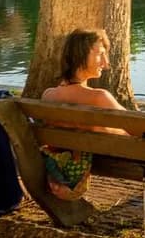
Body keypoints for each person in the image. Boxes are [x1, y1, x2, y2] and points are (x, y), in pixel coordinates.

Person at [39, 28, 131, 200]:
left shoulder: (48, 96)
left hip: (72, 160)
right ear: (79, 56)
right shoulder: (99, 97)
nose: (106, 62)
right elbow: (136, 129)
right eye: (100, 54)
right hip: (118, 160)